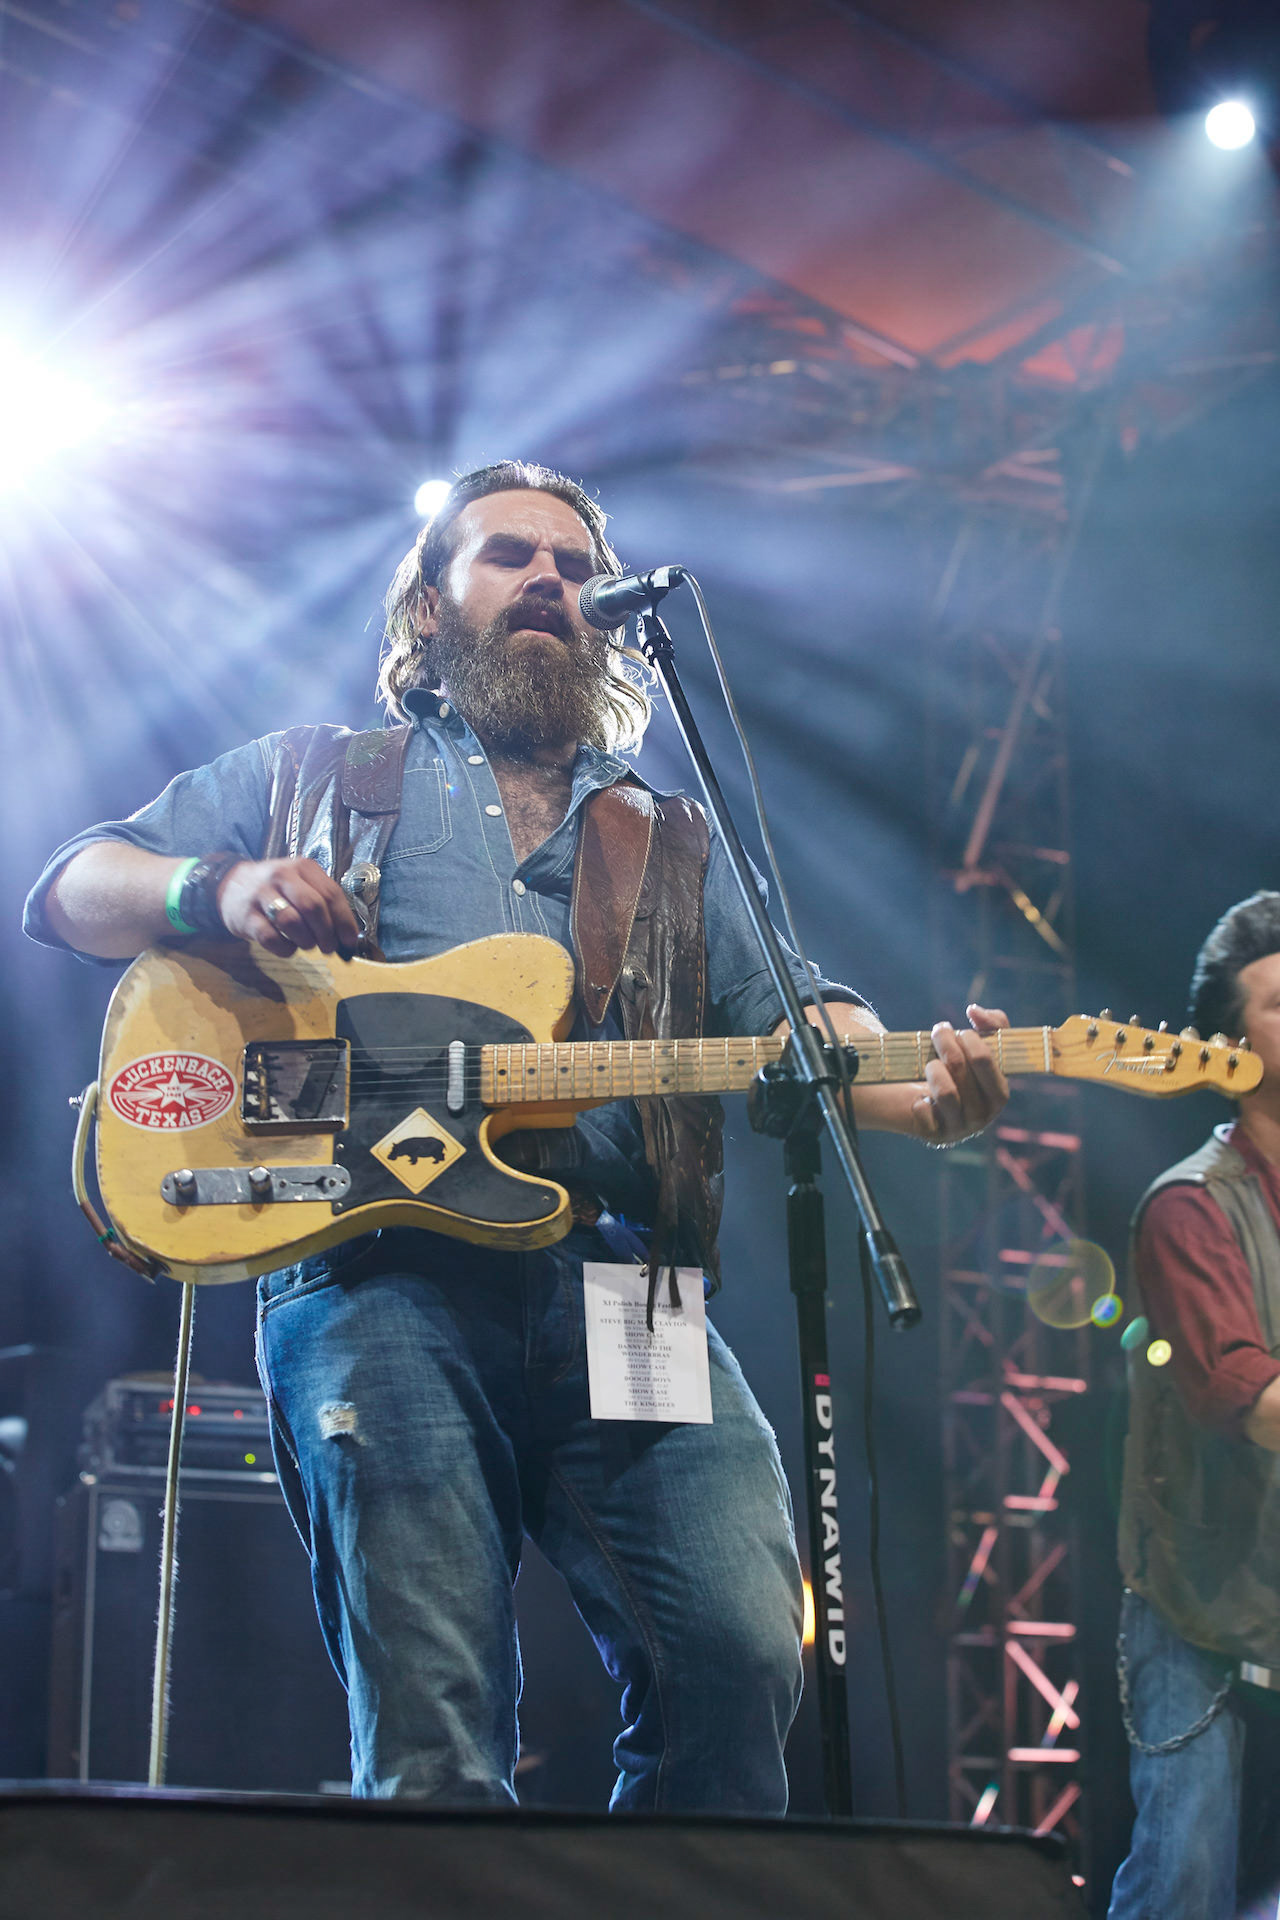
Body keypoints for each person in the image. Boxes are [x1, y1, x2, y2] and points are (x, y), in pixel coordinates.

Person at [24, 460, 1010, 1810]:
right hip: (376, 1271)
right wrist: (221, 884)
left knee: (737, 1655)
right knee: (436, 1714)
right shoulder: (312, 776)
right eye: (508, 556)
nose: (549, 579)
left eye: (570, 564)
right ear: (428, 608)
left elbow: (790, 1018)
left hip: (632, 1281)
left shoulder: (665, 838)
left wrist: (927, 1092)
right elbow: (75, 888)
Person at [1110, 892, 1280, 1919]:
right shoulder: (1189, 1205)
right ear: (1228, 1048)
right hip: (1197, 1606)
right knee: (1181, 1884)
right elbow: (1247, 1397)